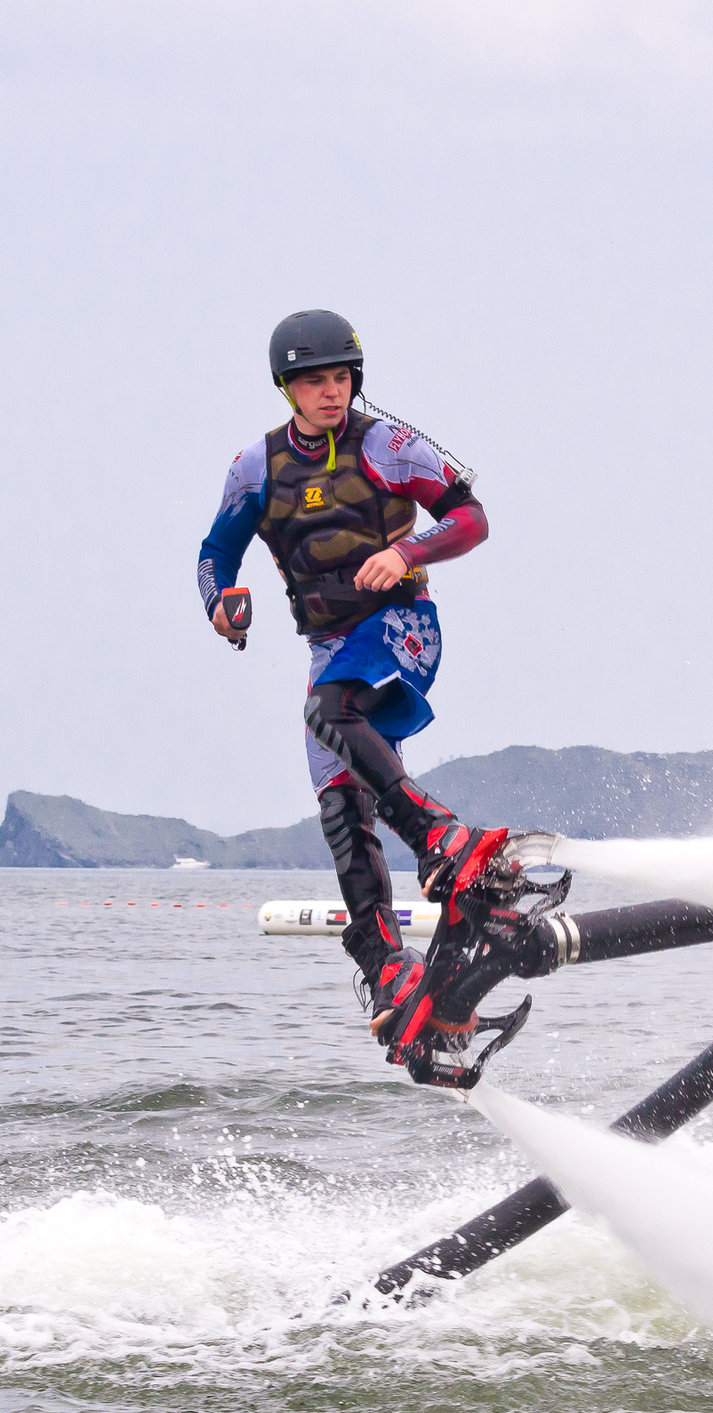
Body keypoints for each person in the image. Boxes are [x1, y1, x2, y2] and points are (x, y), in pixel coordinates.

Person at [196, 309, 527, 1044]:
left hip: (400, 628)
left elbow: (470, 518)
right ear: (287, 387)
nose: (332, 392)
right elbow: (215, 552)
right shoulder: (255, 467)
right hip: (329, 645)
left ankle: (440, 836)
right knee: (342, 813)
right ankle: (392, 975)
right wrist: (221, 605)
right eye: (315, 381)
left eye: (343, 378)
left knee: (327, 710)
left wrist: (408, 556)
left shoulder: (390, 445)